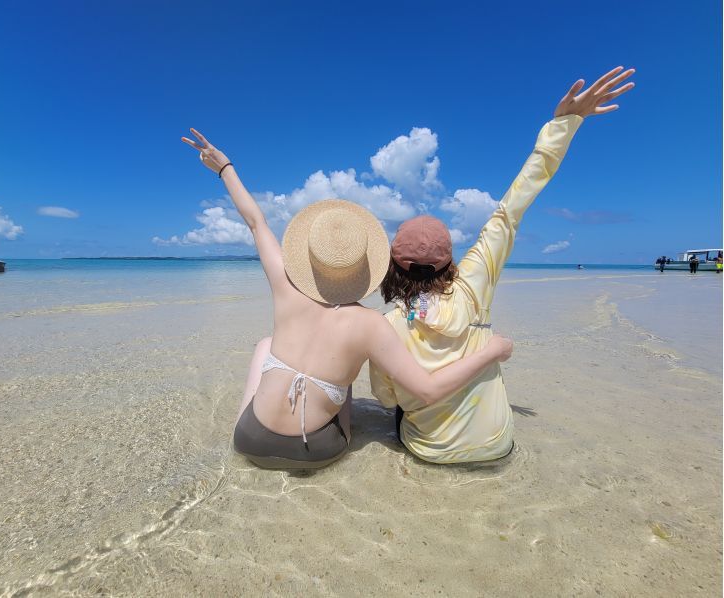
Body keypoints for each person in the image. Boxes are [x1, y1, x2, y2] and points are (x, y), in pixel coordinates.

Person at [181, 130, 513, 470]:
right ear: (366, 267)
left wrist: (225, 168)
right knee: (344, 373)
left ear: (307, 257)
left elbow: (256, 221)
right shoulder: (372, 325)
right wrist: (491, 352)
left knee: (266, 345)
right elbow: (426, 391)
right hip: (313, 452)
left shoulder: (285, 286)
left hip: (249, 440)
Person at [370, 66, 636, 464]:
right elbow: (511, 208)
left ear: (393, 265)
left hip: (428, 451)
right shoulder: (475, 282)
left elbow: (386, 397)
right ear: (449, 259)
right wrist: (563, 124)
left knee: (397, 400)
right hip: (497, 446)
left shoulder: (387, 327)